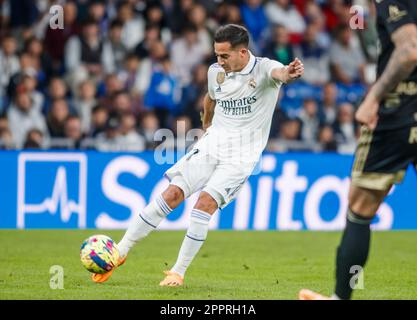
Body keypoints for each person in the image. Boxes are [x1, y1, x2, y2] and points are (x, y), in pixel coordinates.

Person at [90, 24, 304, 286]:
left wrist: (290, 72)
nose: (219, 61)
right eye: (216, 55)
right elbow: (210, 98)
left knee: (204, 203)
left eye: (224, 56)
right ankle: (120, 252)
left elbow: (281, 73)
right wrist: (207, 123)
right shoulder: (216, 72)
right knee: (171, 194)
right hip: (212, 144)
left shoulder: (264, 68)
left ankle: (177, 272)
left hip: (241, 157)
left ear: (243, 52)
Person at [299, 0, 417, 300]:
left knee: (360, 208)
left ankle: (341, 297)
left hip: (401, 112)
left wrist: (374, 97)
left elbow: (408, 51)